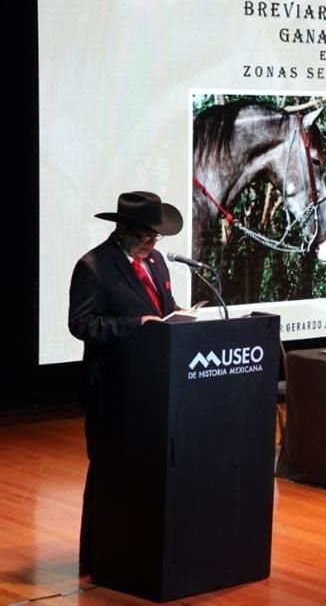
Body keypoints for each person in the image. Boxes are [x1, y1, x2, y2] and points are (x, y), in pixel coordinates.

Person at [68, 190, 185, 576]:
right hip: (113, 389)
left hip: (153, 386)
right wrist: (135, 326)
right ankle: (98, 556)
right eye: (147, 235)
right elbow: (82, 324)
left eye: (156, 236)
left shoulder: (156, 264)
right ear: (124, 230)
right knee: (109, 474)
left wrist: (181, 318)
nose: (153, 243)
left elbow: (163, 310)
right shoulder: (94, 266)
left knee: (148, 474)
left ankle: (140, 550)